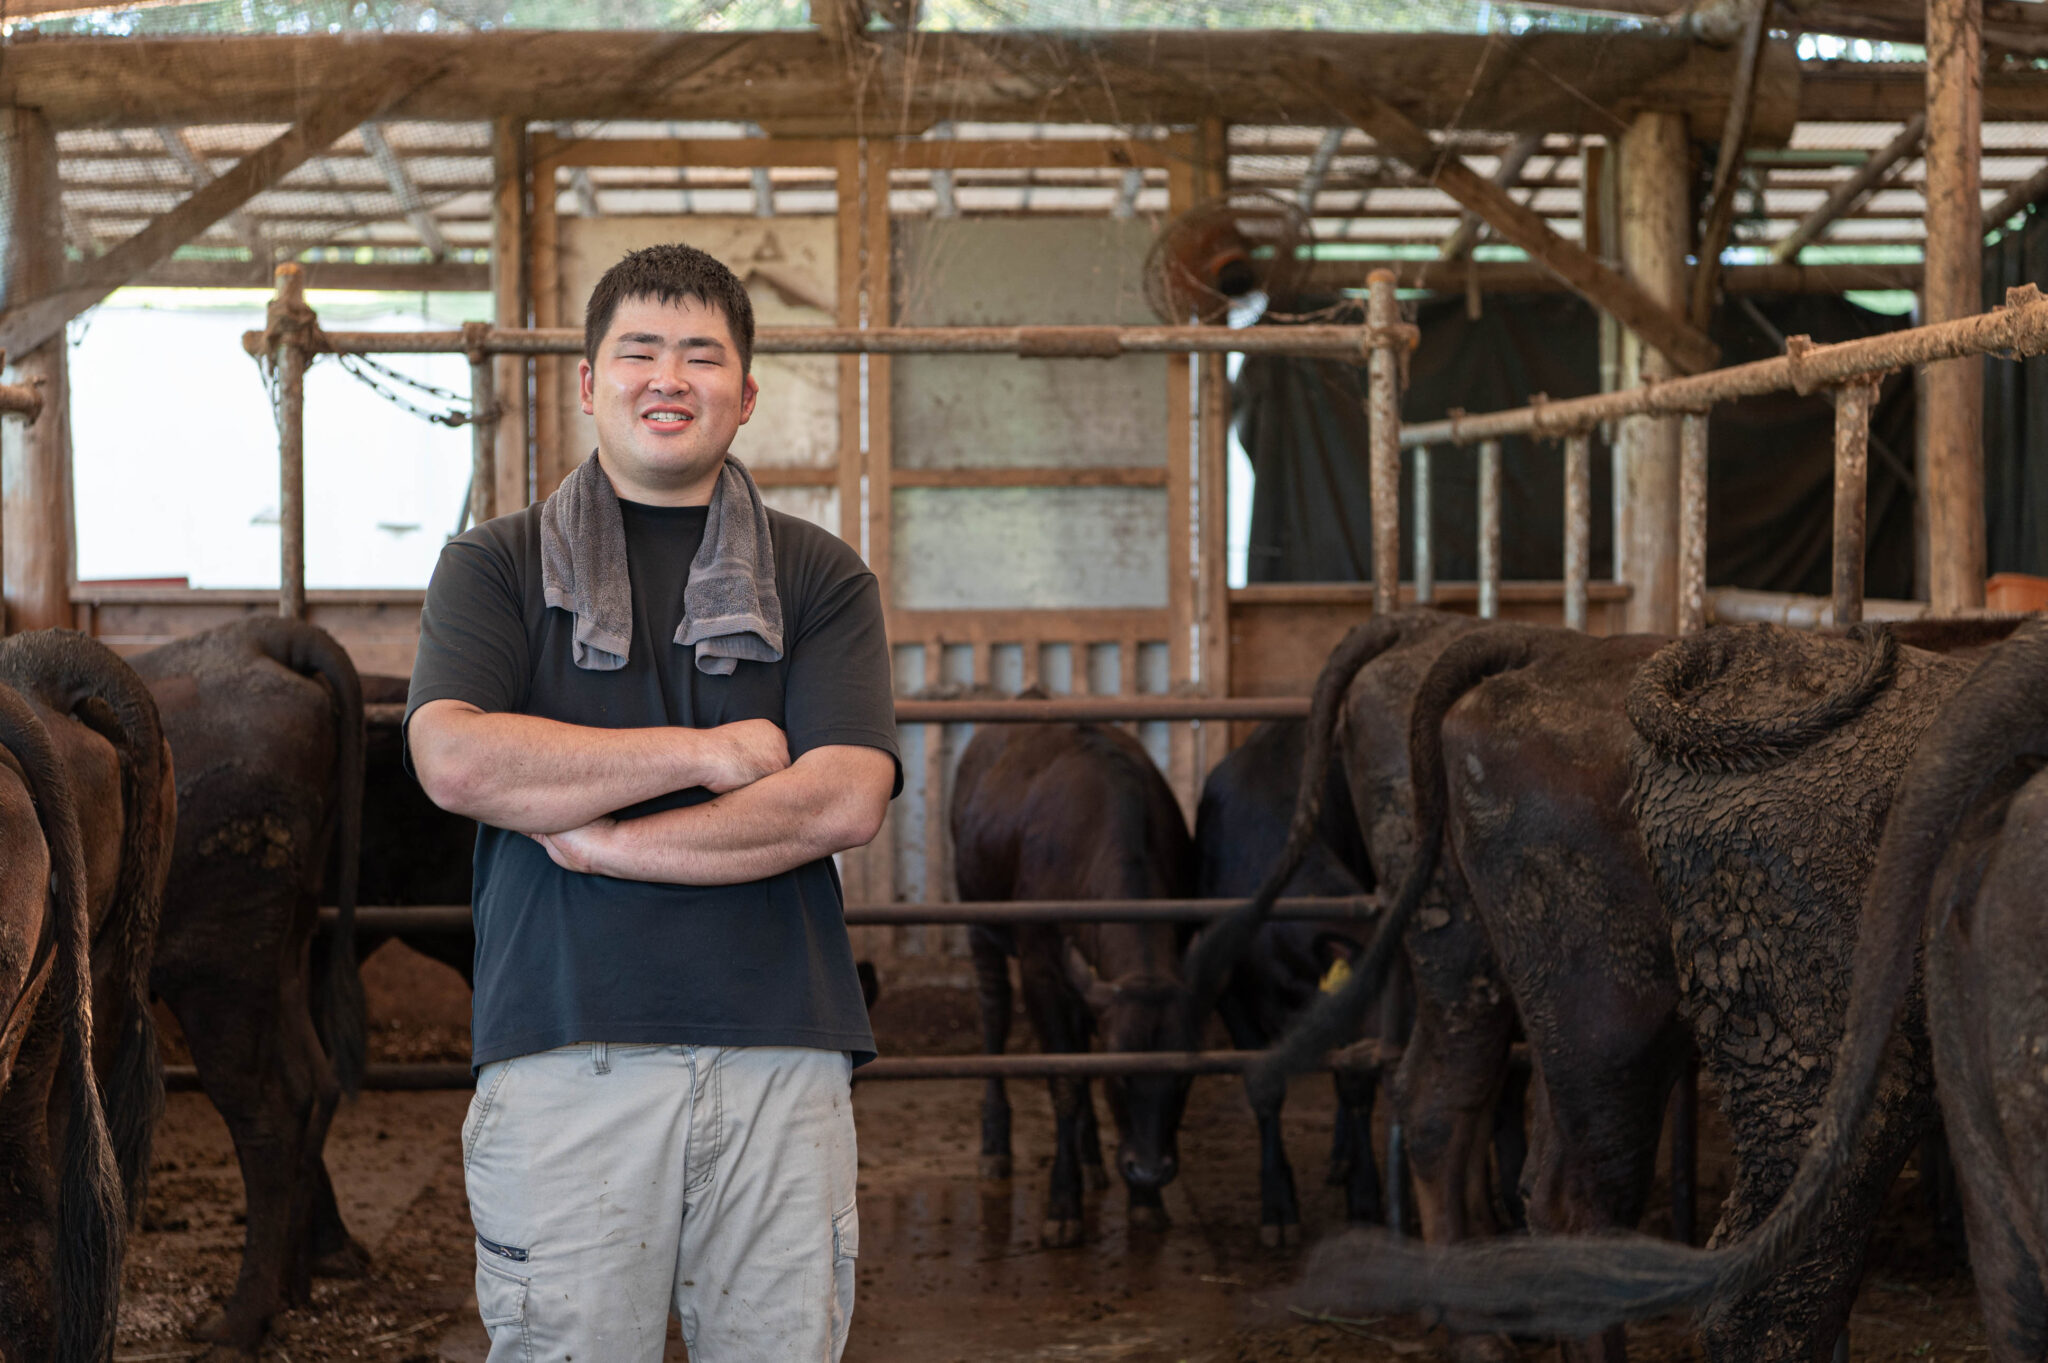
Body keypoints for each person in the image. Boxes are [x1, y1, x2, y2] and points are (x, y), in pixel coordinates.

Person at [405, 242, 900, 1363]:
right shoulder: (494, 566)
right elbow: (459, 763)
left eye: (700, 355)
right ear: (587, 381)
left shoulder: (818, 575)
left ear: (745, 393)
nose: (666, 377)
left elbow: (840, 800)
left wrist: (595, 843)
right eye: (636, 350)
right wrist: (710, 752)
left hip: (782, 1053)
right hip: (563, 1053)